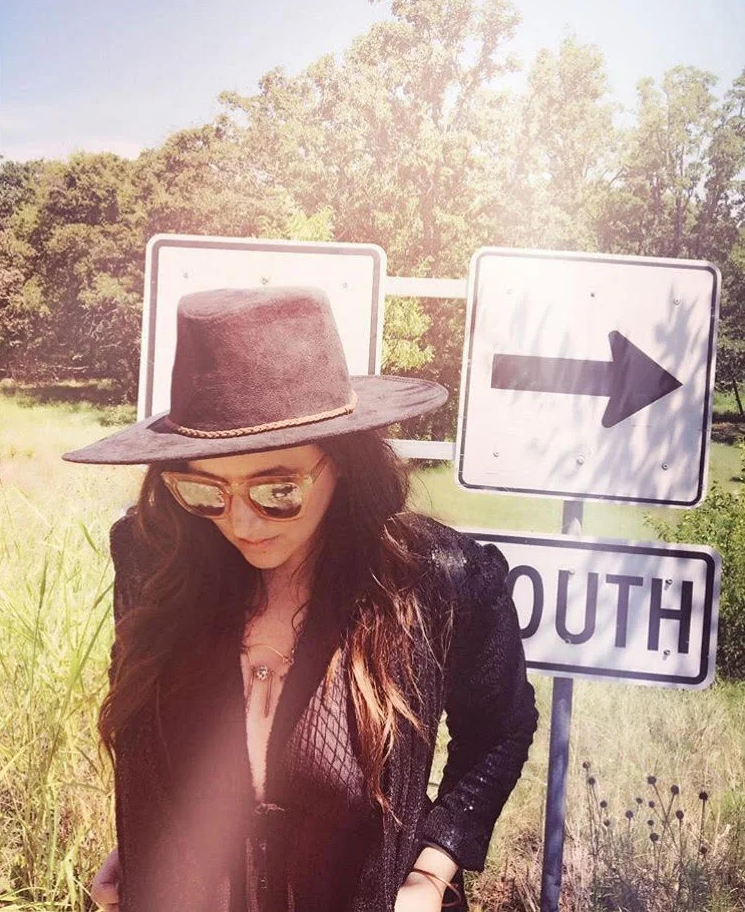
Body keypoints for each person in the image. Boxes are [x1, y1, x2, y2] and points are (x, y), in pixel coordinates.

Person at [64, 286, 538, 912]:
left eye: (278, 490)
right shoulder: (155, 559)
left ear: (343, 462)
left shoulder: (440, 581)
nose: (241, 523)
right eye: (204, 491)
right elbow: (151, 738)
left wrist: (432, 871)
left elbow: (500, 729)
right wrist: (140, 843)